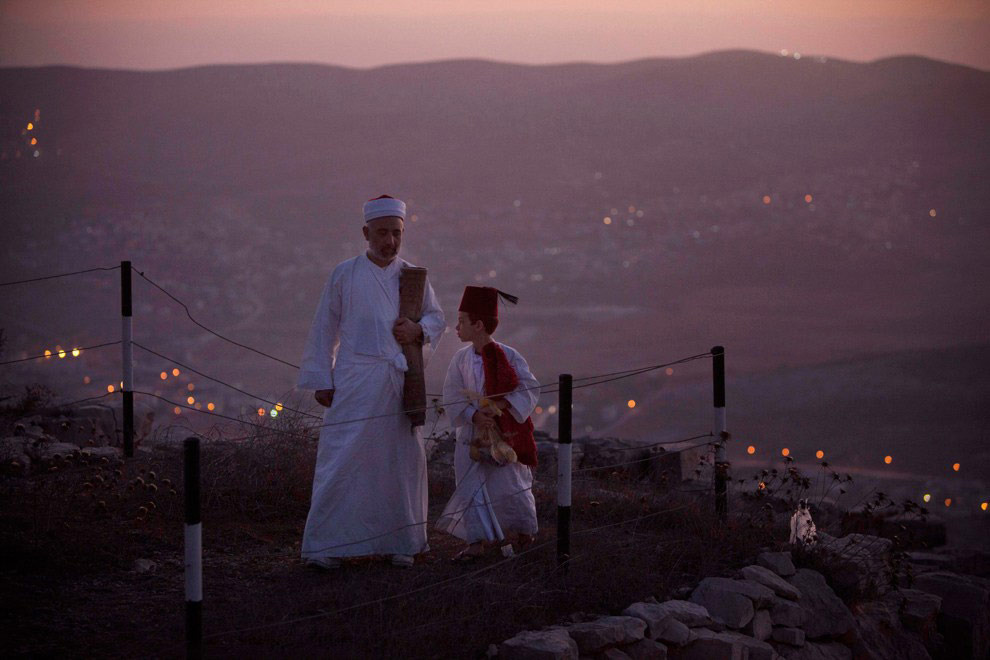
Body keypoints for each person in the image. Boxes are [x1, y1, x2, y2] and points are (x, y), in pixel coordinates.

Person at [297, 195, 445, 569]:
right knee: (342, 458)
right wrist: (322, 378)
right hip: (354, 381)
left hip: (397, 384)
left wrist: (418, 329)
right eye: (382, 233)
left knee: (400, 462)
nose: (390, 241)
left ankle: (402, 542)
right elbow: (323, 328)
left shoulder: (413, 277)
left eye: (396, 233)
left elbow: (436, 319)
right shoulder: (344, 274)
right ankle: (328, 545)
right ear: (366, 232)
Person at [436, 286, 540, 560]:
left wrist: (499, 407)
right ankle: (477, 542)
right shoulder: (460, 360)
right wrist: (473, 414)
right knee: (472, 488)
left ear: (478, 325)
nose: (456, 327)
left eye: (461, 321)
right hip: (472, 436)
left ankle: (521, 533)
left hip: (503, 435)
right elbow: (451, 393)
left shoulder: (510, 356)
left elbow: (529, 388)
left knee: (509, 485)